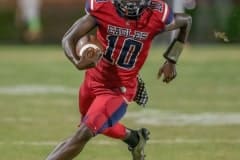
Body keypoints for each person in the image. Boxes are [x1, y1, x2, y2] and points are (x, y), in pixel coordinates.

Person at [45, 0, 192, 160]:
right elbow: (68, 38)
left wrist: (171, 59)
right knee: (89, 125)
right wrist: (77, 62)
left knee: (84, 133)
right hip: (92, 79)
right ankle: (135, 139)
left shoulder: (155, 16)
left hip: (118, 90)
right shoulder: (103, 8)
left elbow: (186, 21)